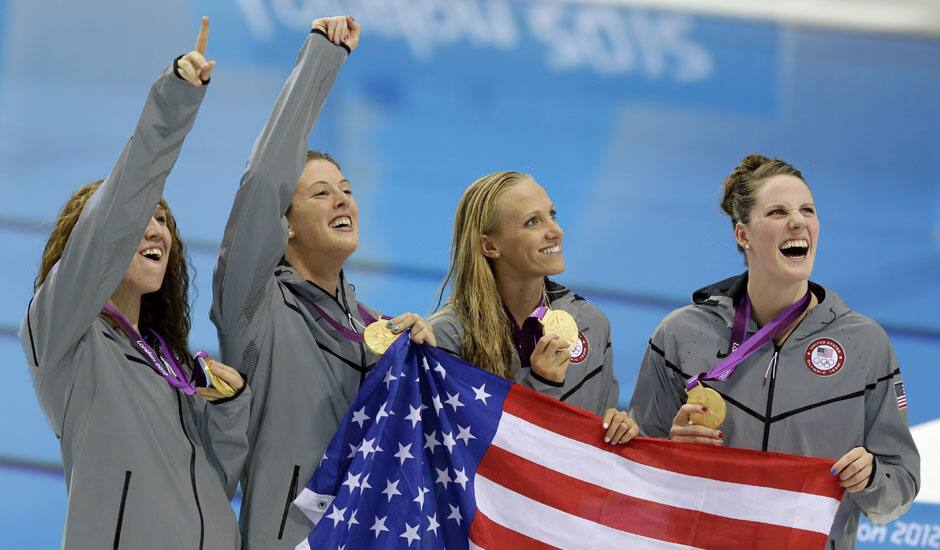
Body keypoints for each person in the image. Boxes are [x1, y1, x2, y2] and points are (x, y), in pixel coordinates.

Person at [19, 18, 249, 549]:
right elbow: (117, 209)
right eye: (143, 217)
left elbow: (212, 484)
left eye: (164, 221)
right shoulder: (64, 338)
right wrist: (174, 103)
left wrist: (228, 408)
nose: (156, 229)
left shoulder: (169, 361)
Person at [209, 17, 434, 549]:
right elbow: (264, 180)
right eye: (319, 194)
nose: (341, 200)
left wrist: (423, 352)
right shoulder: (255, 306)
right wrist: (321, 58)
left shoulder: (377, 326)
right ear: (284, 223)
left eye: (346, 189)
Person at [629, 154, 920, 548]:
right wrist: (670, 453)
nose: (798, 222)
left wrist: (870, 478)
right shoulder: (682, 335)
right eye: (778, 212)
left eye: (807, 210)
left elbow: (899, 486)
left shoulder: (864, 345)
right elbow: (634, 474)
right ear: (742, 235)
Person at [431, 171, 637, 444]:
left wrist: (620, 428)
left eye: (552, 215)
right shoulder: (447, 339)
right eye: (532, 222)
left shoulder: (590, 323)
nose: (556, 231)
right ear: (490, 246)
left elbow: (598, 441)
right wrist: (542, 385)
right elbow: (463, 454)